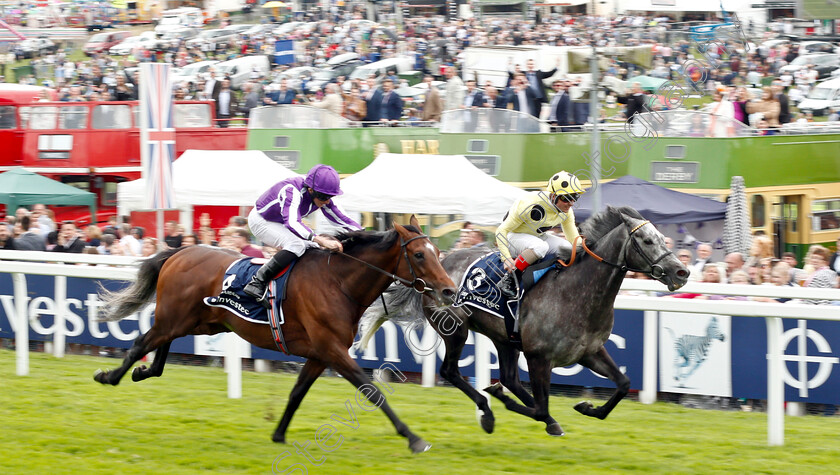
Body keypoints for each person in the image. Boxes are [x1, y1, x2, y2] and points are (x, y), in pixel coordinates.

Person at [244, 165, 362, 305]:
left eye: (330, 197)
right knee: (297, 244)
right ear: (310, 190)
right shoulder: (291, 191)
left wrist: (368, 237)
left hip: (280, 221)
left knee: (313, 246)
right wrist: (320, 240)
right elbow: (292, 223)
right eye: (324, 197)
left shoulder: (321, 194)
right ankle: (257, 282)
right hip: (261, 221)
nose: (327, 201)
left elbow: (344, 220)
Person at [495, 171, 584, 299]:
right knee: (540, 247)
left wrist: (590, 252)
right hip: (512, 237)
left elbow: (574, 240)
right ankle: (508, 280)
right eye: (566, 198)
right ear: (553, 196)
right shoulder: (529, 203)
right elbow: (501, 231)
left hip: (534, 237)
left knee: (567, 248)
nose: (571, 203)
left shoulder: (567, 212)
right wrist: (506, 258)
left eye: (575, 197)